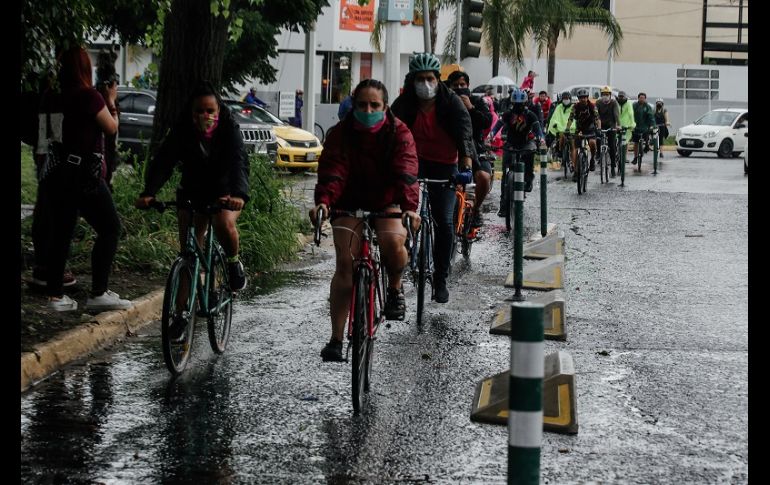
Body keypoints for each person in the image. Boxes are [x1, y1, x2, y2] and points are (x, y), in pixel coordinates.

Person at [310, 79, 420, 362]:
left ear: (385, 107)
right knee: (345, 264)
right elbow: (333, 169)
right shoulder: (340, 134)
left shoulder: (399, 132)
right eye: (362, 104)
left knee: (392, 243)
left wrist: (409, 207)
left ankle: (395, 287)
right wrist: (324, 201)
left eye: (374, 105)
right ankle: (336, 338)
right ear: (353, 105)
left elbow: (406, 170)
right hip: (347, 201)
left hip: (388, 201)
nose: (368, 109)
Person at [35, 46, 131, 312]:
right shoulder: (89, 97)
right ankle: (99, 292)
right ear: (85, 69)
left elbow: (48, 137)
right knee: (110, 228)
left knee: (62, 233)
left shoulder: (51, 97)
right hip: (84, 175)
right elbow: (111, 128)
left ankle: (56, 297)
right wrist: (110, 100)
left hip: (57, 174)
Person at [135, 81, 250, 302]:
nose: (204, 116)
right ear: (191, 112)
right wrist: (148, 192)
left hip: (226, 189)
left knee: (222, 223)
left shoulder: (229, 129)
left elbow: (238, 162)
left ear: (218, 110)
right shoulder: (182, 129)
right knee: (188, 253)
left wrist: (238, 195)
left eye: (210, 111)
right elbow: (164, 161)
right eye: (199, 111)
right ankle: (180, 314)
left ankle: (233, 262)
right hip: (193, 189)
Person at [391, 52, 475, 304]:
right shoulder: (404, 103)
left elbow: (464, 133)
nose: (425, 84)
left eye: (430, 78)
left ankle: (440, 278)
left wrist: (466, 165)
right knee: (399, 215)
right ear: (412, 80)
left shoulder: (452, 103)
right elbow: (389, 133)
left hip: (444, 167)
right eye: (420, 79)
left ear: (438, 80)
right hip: (412, 164)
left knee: (445, 223)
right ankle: (406, 255)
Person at [446, 70, 493, 228]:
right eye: (455, 85)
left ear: (468, 85)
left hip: (476, 148)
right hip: (452, 148)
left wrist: (471, 108)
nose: (459, 88)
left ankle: (476, 211)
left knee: (484, 178)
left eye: (462, 85)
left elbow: (487, 122)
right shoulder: (445, 101)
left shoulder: (477, 101)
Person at [488, 88, 544, 216]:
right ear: (512, 102)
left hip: (526, 143)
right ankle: (503, 206)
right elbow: (497, 126)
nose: (518, 106)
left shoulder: (531, 115)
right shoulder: (507, 114)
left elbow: (538, 130)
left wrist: (541, 139)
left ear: (525, 103)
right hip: (511, 144)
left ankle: (528, 180)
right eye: (516, 104)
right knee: (505, 175)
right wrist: (491, 135)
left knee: (530, 154)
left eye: (521, 104)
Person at [565, 88, 601, 177]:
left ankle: (592, 159)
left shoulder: (592, 106)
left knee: (592, 144)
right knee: (576, 149)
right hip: (579, 129)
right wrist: (567, 128)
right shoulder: (575, 107)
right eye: (581, 98)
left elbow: (597, 118)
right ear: (578, 98)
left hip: (590, 129)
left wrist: (599, 128)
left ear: (587, 98)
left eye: (584, 97)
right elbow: (570, 118)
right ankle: (576, 171)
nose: (583, 99)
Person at [596, 85, 621, 176]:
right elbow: (596, 115)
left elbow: (616, 115)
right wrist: (597, 125)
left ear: (610, 95)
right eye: (603, 94)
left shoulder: (614, 103)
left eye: (607, 94)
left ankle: (613, 167)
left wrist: (618, 125)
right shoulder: (598, 103)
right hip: (600, 125)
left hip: (611, 126)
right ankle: (598, 154)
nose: (605, 96)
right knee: (597, 139)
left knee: (612, 146)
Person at [546, 91, 575, 164]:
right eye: (564, 98)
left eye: (567, 98)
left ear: (570, 99)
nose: (566, 100)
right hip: (561, 128)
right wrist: (555, 124)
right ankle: (560, 153)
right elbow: (555, 117)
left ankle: (573, 161)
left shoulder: (573, 107)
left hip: (572, 129)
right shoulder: (559, 107)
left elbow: (575, 119)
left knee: (573, 145)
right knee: (561, 138)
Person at [631, 92, 656, 168]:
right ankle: (635, 157)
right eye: (640, 98)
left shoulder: (648, 107)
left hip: (645, 127)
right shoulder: (634, 105)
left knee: (647, 135)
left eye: (643, 98)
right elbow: (631, 114)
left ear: (645, 99)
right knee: (636, 142)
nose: (642, 99)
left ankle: (647, 145)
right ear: (638, 98)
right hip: (636, 126)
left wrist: (652, 125)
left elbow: (651, 116)